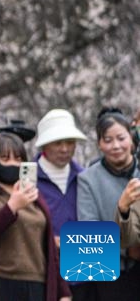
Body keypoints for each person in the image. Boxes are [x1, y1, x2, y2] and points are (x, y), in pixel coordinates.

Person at [0, 132, 70, 301]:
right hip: (2, 284)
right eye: (5, 159)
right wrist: (11, 207)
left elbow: (48, 248)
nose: (13, 164)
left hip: (38, 285)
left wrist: (63, 292)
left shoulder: (35, 197)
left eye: (18, 158)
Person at [76, 108, 140, 299]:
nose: (116, 146)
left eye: (121, 138)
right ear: (99, 144)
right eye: (108, 140)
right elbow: (88, 236)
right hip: (109, 274)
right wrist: (128, 251)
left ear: (131, 138)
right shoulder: (87, 179)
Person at [32, 109, 87, 241]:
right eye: (57, 143)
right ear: (44, 145)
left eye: (69, 142)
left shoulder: (84, 178)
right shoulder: (28, 180)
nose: (64, 149)